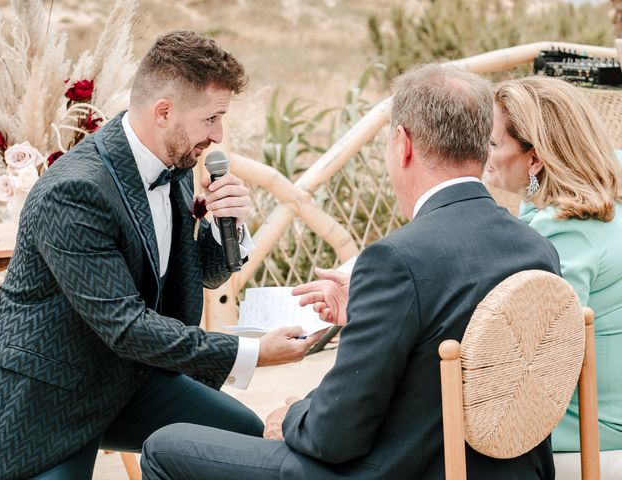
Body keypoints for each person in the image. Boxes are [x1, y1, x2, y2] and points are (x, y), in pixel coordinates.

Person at [140, 64, 560, 479]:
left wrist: (292, 415)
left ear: (402, 144)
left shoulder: (397, 260)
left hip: (400, 469)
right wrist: (368, 312)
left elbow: (336, 437)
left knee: (165, 447)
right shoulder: (536, 248)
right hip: (510, 470)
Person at [0, 31, 323, 480]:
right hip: (48, 393)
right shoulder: (74, 191)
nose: (218, 135)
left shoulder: (174, 161)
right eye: (211, 119)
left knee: (241, 436)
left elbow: (194, 273)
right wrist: (254, 352)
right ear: (164, 111)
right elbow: (126, 327)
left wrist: (228, 226)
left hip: (128, 378)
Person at [485, 75, 622, 452]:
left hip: (597, 425)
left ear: (536, 158)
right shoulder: (605, 188)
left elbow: (543, 357)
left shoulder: (567, 231)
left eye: (493, 143)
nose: (484, 153)